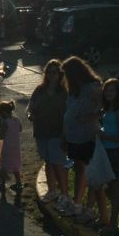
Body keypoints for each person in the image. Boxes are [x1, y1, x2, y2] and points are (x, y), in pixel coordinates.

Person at [82, 78, 119, 230]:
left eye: (112, 91)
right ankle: (102, 217)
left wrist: (104, 136)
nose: (108, 93)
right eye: (106, 90)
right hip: (102, 151)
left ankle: (113, 223)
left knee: (113, 187)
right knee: (97, 184)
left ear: (118, 93)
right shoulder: (105, 109)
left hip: (113, 152)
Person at [58, 56, 103, 218]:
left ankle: (89, 207)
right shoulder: (74, 89)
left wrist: (91, 117)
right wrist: (64, 135)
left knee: (90, 171)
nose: (65, 78)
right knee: (78, 169)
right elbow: (68, 112)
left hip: (87, 135)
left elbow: (106, 106)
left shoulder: (93, 87)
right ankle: (77, 203)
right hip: (73, 135)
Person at [27, 60, 69, 205]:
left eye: (54, 72)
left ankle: (64, 193)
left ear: (59, 74)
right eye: (49, 72)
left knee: (58, 163)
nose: (51, 75)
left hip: (57, 132)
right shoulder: (39, 90)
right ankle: (52, 190)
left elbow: (68, 113)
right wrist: (30, 115)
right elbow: (30, 107)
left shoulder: (64, 92)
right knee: (48, 162)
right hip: (41, 131)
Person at [0, 100, 22, 192]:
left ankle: (2, 184)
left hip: (6, 147)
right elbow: (20, 129)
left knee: (3, 166)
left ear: (3, 113)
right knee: (15, 166)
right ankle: (19, 184)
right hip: (16, 146)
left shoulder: (5, 123)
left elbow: (1, 136)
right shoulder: (16, 120)